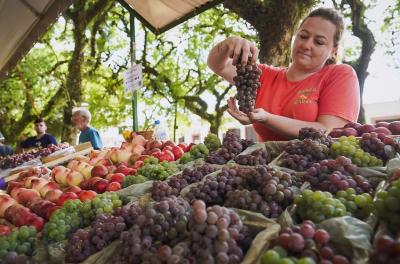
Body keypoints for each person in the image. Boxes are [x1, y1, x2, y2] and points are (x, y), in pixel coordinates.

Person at [207, 8, 360, 141]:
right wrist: (229, 44)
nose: (307, 45)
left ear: (333, 50)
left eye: (319, 42)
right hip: (268, 170)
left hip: (316, 170)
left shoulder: (339, 74)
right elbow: (218, 65)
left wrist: (267, 119)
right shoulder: (262, 75)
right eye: (303, 36)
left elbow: (329, 131)